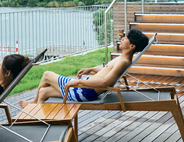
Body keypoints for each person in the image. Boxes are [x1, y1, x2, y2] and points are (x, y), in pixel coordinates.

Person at [19, 28, 149, 107]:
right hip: (86, 89)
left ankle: (33, 103)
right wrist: (91, 69)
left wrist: (78, 81)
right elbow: (107, 72)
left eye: (125, 38)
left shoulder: (123, 61)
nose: (122, 39)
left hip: (85, 91)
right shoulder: (123, 59)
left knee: (47, 74)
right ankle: (40, 116)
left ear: (132, 46)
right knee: (43, 92)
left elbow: (105, 82)